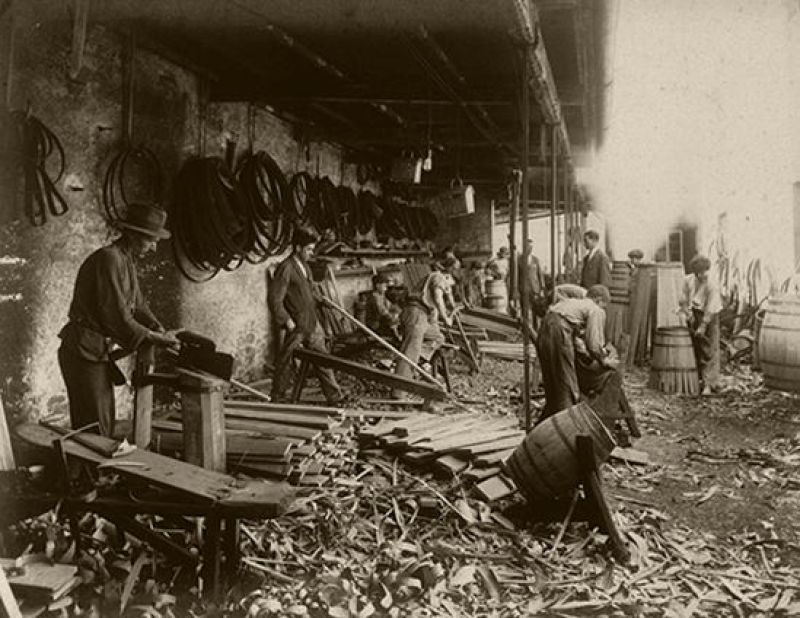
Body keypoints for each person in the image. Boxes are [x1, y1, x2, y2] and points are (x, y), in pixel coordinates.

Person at [58, 203, 179, 438]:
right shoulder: (108, 259)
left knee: (102, 421)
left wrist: (156, 326)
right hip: (83, 351)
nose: (154, 247)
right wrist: (157, 339)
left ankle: (89, 473)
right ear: (133, 234)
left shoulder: (126, 259)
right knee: (93, 425)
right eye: (150, 240)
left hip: (96, 352)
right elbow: (117, 317)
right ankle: (85, 474)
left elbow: (139, 304)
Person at [269, 227, 343, 404]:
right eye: (309, 249)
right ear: (297, 248)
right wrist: (287, 321)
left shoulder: (306, 267)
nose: (312, 252)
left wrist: (322, 299)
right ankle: (277, 397)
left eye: (312, 248)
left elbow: (309, 291)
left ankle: (334, 397)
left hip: (311, 321)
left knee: (323, 359)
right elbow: (275, 299)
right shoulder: (286, 268)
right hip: (297, 325)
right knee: (285, 362)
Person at [536, 284, 617, 418]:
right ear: (598, 300)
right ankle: (569, 425)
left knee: (552, 383)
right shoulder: (595, 309)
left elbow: (576, 340)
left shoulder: (573, 303)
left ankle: (548, 423)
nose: (603, 309)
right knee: (566, 384)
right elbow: (594, 343)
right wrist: (604, 360)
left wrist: (584, 352)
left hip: (545, 327)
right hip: (558, 331)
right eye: (604, 305)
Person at [393, 257, 458, 397]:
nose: (448, 290)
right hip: (415, 313)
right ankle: (398, 394)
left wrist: (450, 307)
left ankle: (419, 360)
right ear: (447, 275)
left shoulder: (434, 286)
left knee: (438, 337)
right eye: (449, 286)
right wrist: (446, 318)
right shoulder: (438, 277)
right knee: (410, 351)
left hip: (422, 315)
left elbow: (435, 312)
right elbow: (438, 298)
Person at [678, 255, 722, 396]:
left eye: (705, 271)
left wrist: (703, 325)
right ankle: (697, 380)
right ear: (695, 273)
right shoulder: (688, 280)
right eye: (700, 272)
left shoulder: (712, 284)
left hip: (710, 315)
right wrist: (687, 312)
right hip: (695, 313)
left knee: (709, 349)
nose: (703, 275)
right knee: (695, 347)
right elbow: (683, 299)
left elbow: (711, 307)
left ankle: (709, 384)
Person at [518, 239, 547, 327]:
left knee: (536, 311)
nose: (530, 249)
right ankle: (526, 331)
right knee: (526, 311)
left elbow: (540, 275)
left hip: (535, 290)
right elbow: (516, 276)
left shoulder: (535, 260)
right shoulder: (519, 260)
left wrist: (542, 288)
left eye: (531, 247)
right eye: (528, 246)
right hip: (524, 290)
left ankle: (536, 329)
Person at [365, 273, 400, 337]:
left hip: (382, 321)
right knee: (393, 324)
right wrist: (393, 317)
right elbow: (382, 311)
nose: (386, 286)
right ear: (377, 285)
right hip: (375, 325)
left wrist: (398, 312)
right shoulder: (374, 297)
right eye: (384, 284)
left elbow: (391, 306)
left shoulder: (381, 295)